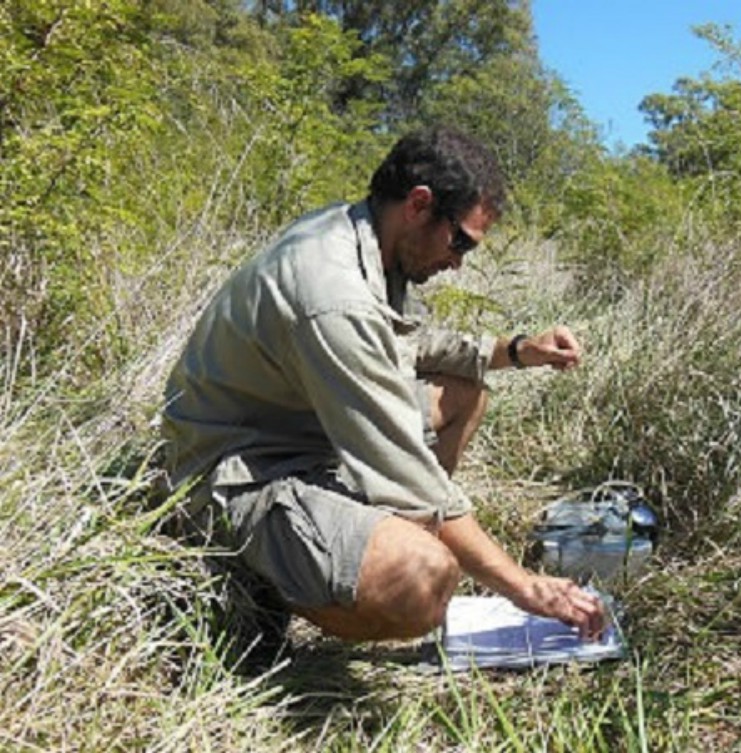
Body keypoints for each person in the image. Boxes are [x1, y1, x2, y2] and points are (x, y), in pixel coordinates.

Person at [162, 126, 605, 643]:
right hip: (237, 472)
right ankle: (255, 592)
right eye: (459, 240)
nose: (459, 261)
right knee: (424, 577)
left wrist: (517, 350)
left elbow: (409, 345)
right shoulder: (333, 291)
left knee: (466, 391)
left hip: (310, 438)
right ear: (419, 205)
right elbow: (406, 471)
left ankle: (366, 539)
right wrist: (525, 588)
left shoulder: (368, 239)